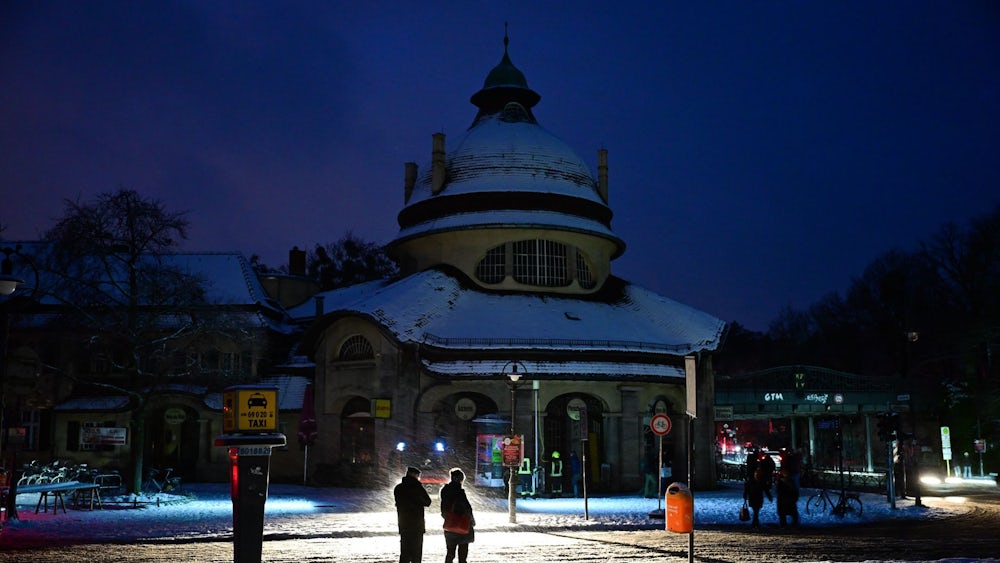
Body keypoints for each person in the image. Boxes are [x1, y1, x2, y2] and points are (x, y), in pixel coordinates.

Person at [394, 466, 432, 563]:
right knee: (416, 553)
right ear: (414, 475)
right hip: (417, 525)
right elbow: (428, 502)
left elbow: (399, 503)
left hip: (403, 524)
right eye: (417, 476)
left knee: (405, 552)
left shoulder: (398, 488)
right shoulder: (418, 487)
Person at [440, 467, 475, 563]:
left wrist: (448, 517)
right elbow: (466, 508)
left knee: (450, 552)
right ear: (459, 479)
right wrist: (471, 521)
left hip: (450, 524)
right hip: (462, 524)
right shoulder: (459, 492)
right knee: (462, 554)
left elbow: (444, 509)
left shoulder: (444, 490)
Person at [743, 459, 772, 529]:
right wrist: (769, 496)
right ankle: (755, 523)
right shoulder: (761, 482)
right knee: (756, 511)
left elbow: (747, 489)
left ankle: (755, 523)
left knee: (755, 510)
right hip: (758, 498)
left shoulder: (752, 481)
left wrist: (745, 496)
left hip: (753, 497)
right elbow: (766, 489)